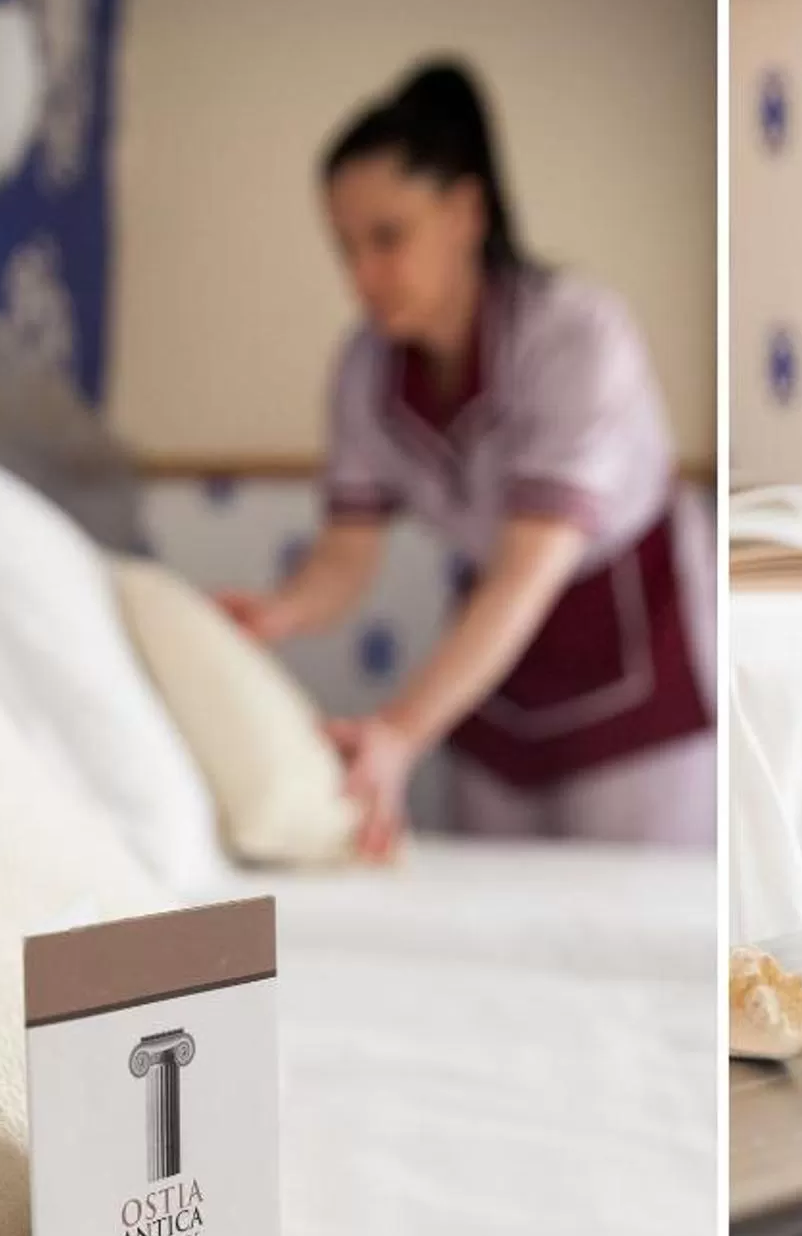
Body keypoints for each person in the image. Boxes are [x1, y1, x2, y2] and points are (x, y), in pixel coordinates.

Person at [225, 59, 714, 853]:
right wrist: (275, 612)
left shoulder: (576, 335)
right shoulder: (366, 371)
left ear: (465, 212)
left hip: (633, 663)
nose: (362, 276)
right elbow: (346, 556)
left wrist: (397, 731)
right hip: (487, 678)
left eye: (387, 238)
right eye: (344, 247)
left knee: (640, 905)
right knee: (503, 898)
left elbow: (529, 568)